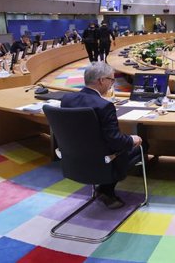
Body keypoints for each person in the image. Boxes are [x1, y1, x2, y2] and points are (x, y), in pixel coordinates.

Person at [60, 62, 143, 209]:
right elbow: (116, 142)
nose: (112, 84)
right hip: (101, 162)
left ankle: (104, 189)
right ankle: (107, 190)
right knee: (141, 144)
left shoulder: (67, 100)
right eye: (111, 80)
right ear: (101, 80)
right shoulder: (104, 106)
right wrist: (133, 139)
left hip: (74, 159)